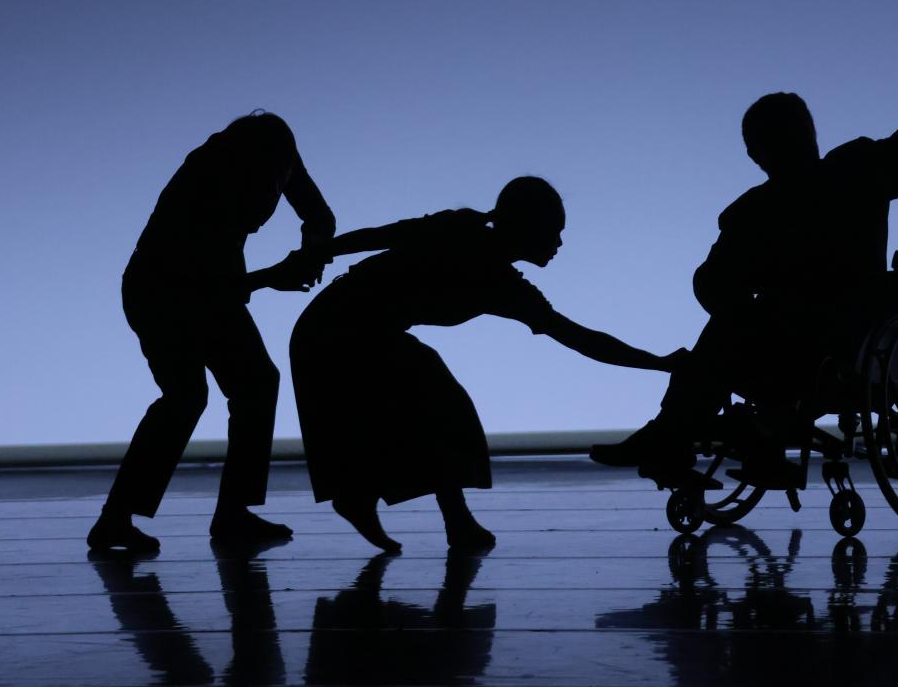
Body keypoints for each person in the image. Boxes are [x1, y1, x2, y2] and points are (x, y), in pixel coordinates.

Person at [591, 59, 898, 485]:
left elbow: (711, 282)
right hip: (818, 341)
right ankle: (708, 436)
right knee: (739, 325)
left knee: (734, 327)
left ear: (755, 153)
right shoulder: (848, 174)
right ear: (809, 134)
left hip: (834, 341)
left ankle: (679, 434)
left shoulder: (761, 208)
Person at [266, 177, 683, 552]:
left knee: (433, 404)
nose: (558, 243)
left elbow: (578, 338)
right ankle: (436, 517)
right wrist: (322, 251)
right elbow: (388, 235)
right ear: (527, 226)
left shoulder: (506, 286)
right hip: (333, 330)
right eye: (554, 232)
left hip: (360, 335)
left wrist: (658, 363)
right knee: (436, 401)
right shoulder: (460, 231)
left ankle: (378, 502)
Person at [87, 111, 335, 552]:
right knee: (187, 397)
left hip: (212, 288)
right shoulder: (207, 176)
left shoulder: (279, 158)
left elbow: (319, 215)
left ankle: (227, 514)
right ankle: (120, 520)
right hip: (163, 289)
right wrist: (273, 276)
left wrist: (312, 253)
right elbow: (199, 280)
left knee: (254, 385)